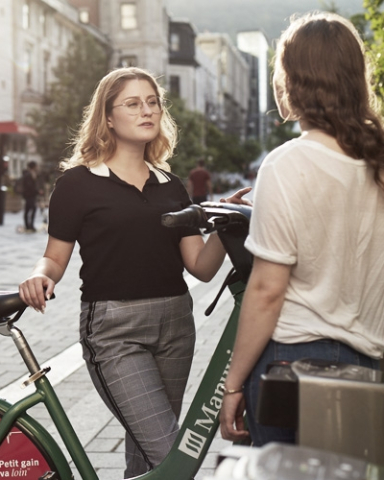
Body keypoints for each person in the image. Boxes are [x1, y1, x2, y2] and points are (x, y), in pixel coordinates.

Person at [19, 66, 251, 478]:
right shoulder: (77, 184)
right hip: (114, 330)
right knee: (169, 456)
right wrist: (42, 275)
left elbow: (200, 267)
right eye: (132, 103)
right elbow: (54, 257)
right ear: (107, 117)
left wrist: (223, 221)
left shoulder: (171, 186)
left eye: (152, 102)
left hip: (176, 325)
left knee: (147, 461)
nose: (146, 111)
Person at [219, 12, 384, 447]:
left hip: (293, 366)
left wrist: (233, 384)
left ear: (291, 82)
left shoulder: (286, 164)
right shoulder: (378, 160)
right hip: (370, 367)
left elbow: (267, 290)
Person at [22, 161, 42, 232]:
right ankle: (29, 226)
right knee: (31, 209)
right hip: (28, 195)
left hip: (32, 195)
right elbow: (29, 186)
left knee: (30, 210)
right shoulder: (28, 174)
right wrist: (37, 191)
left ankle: (30, 225)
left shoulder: (34, 174)